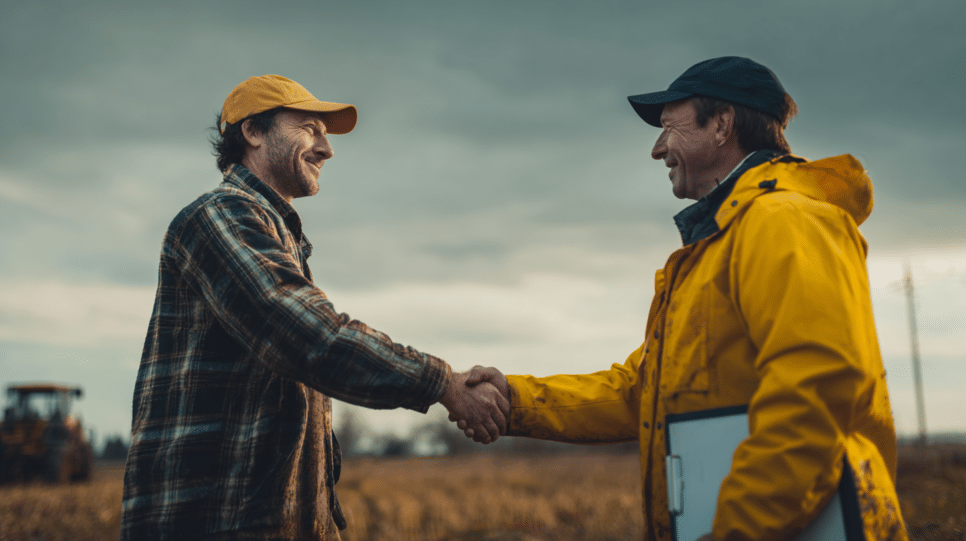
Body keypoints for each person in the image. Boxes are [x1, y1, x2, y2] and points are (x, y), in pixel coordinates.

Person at [454, 57, 909, 540]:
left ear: (723, 124)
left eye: (670, 127)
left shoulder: (783, 222)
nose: (657, 150)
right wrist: (514, 399)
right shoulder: (717, 246)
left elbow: (816, 391)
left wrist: (738, 530)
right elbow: (643, 390)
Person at [121, 74, 509, 541]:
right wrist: (443, 382)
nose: (327, 149)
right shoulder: (220, 218)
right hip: (213, 524)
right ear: (253, 131)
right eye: (310, 129)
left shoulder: (273, 234)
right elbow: (309, 336)